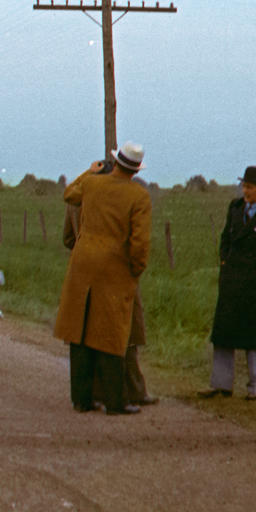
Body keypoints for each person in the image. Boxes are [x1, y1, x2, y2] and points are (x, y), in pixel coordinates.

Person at [55, 142, 152, 415]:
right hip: (115, 266)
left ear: (115, 161)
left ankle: (82, 399)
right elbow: (140, 242)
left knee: (80, 330)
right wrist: (136, 269)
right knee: (113, 332)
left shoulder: (92, 186)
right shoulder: (139, 195)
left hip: (83, 263)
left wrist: (89, 172)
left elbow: (68, 194)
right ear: (135, 169)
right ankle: (115, 401)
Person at [199, 165, 256, 401]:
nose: (245, 191)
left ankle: (255, 389)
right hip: (231, 279)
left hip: (254, 283)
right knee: (223, 334)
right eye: (243, 186)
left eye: (250, 187)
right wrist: (224, 260)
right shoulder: (235, 208)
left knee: (254, 337)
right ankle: (220, 385)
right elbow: (225, 238)